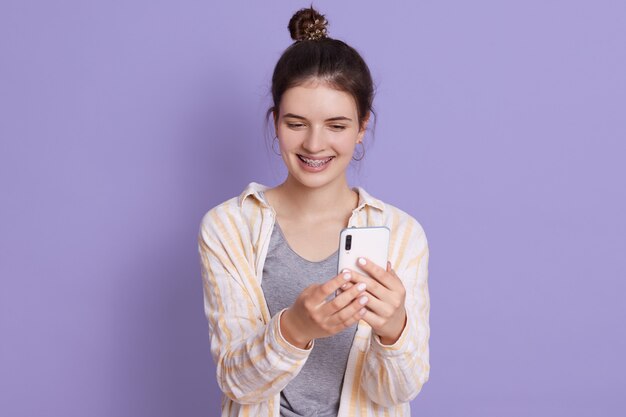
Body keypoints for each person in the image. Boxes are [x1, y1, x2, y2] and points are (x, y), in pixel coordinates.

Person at [197, 6, 430, 417]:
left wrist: (394, 328)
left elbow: (397, 392)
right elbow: (235, 380)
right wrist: (295, 329)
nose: (314, 144)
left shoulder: (401, 232)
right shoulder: (229, 227)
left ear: (362, 128)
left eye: (337, 125)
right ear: (275, 123)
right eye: (296, 123)